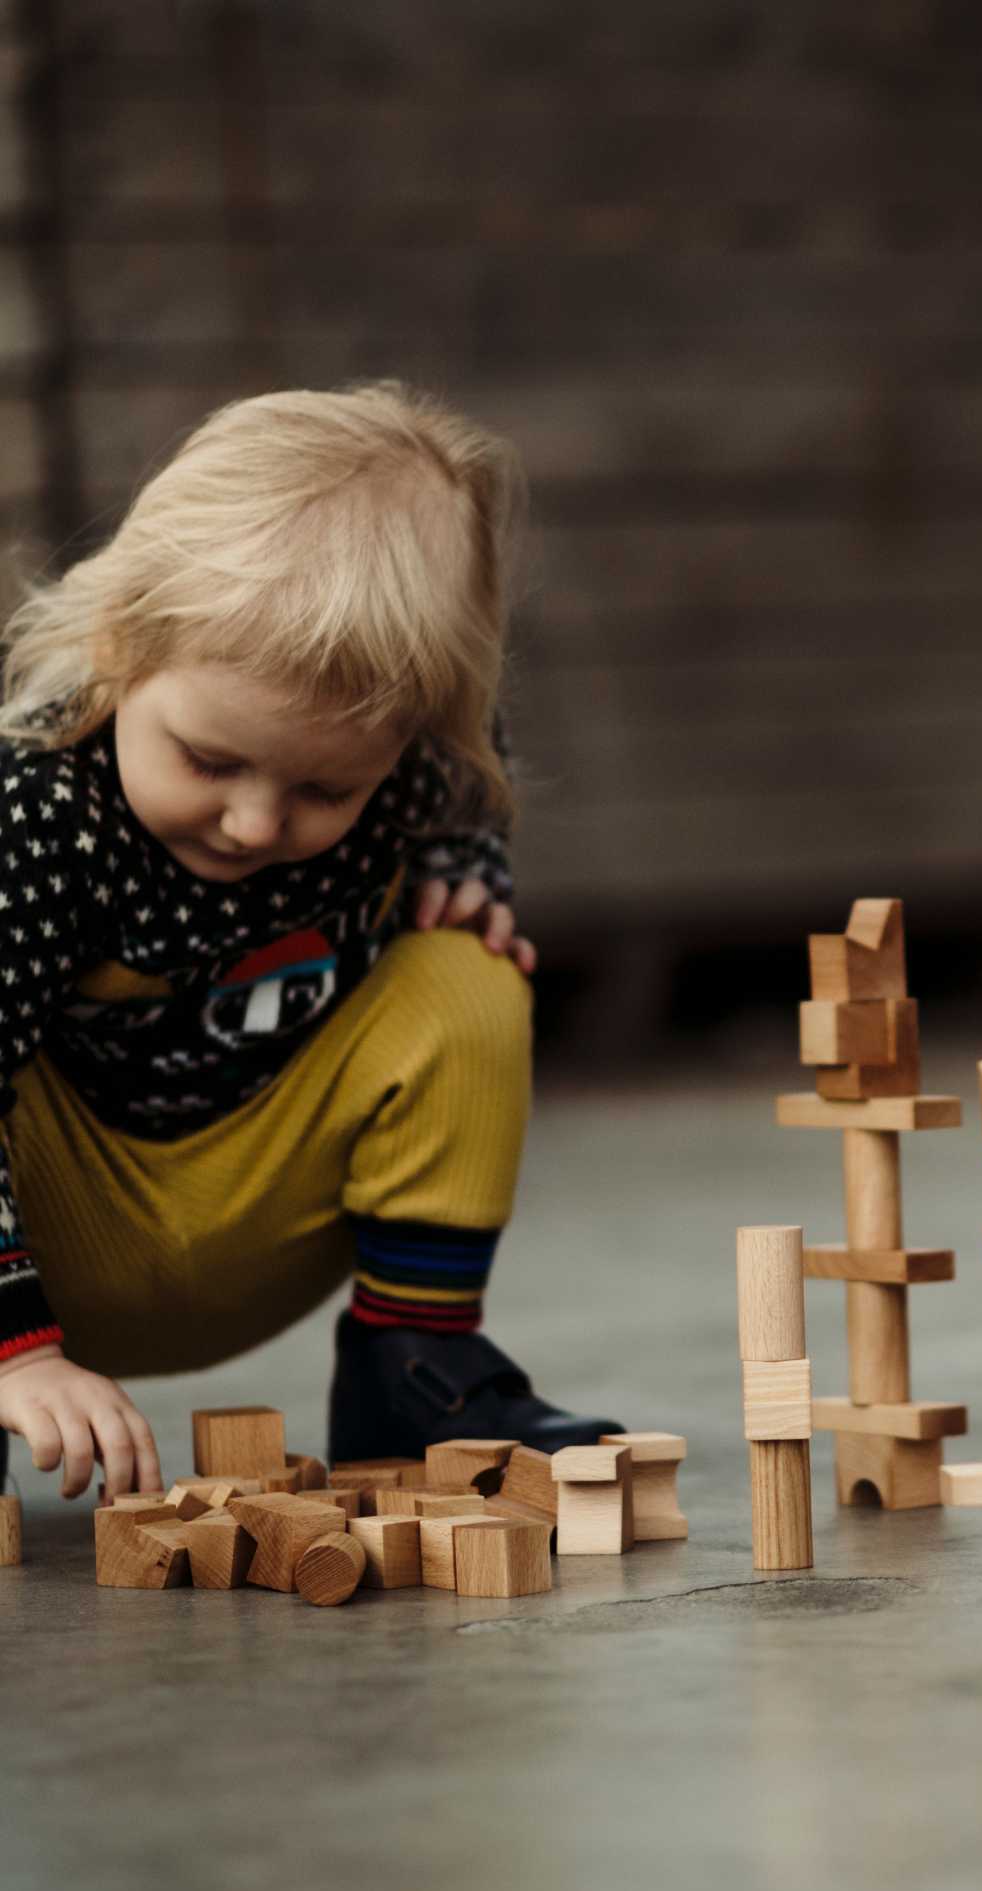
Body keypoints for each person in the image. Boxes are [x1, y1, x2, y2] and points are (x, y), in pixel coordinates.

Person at [0, 381, 619, 1505]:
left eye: (324, 787)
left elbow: (473, 779)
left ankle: (412, 1368)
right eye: (209, 760)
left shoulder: (417, 762)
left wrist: (463, 880)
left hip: (253, 1224)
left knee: (468, 976)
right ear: (119, 645)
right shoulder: (41, 808)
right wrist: (22, 1349)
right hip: (50, 1240)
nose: (255, 823)